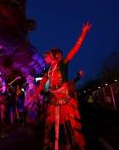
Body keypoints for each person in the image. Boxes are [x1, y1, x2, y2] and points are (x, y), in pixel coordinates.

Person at [30, 22, 92, 150]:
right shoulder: (48, 71)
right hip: (54, 100)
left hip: (64, 99)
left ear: (53, 56)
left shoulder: (63, 64)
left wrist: (83, 33)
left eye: (46, 56)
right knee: (52, 125)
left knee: (67, 124)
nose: (44, 58)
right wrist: (34, 96)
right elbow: (42, 84)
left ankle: (71, 146)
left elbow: (75, 48)